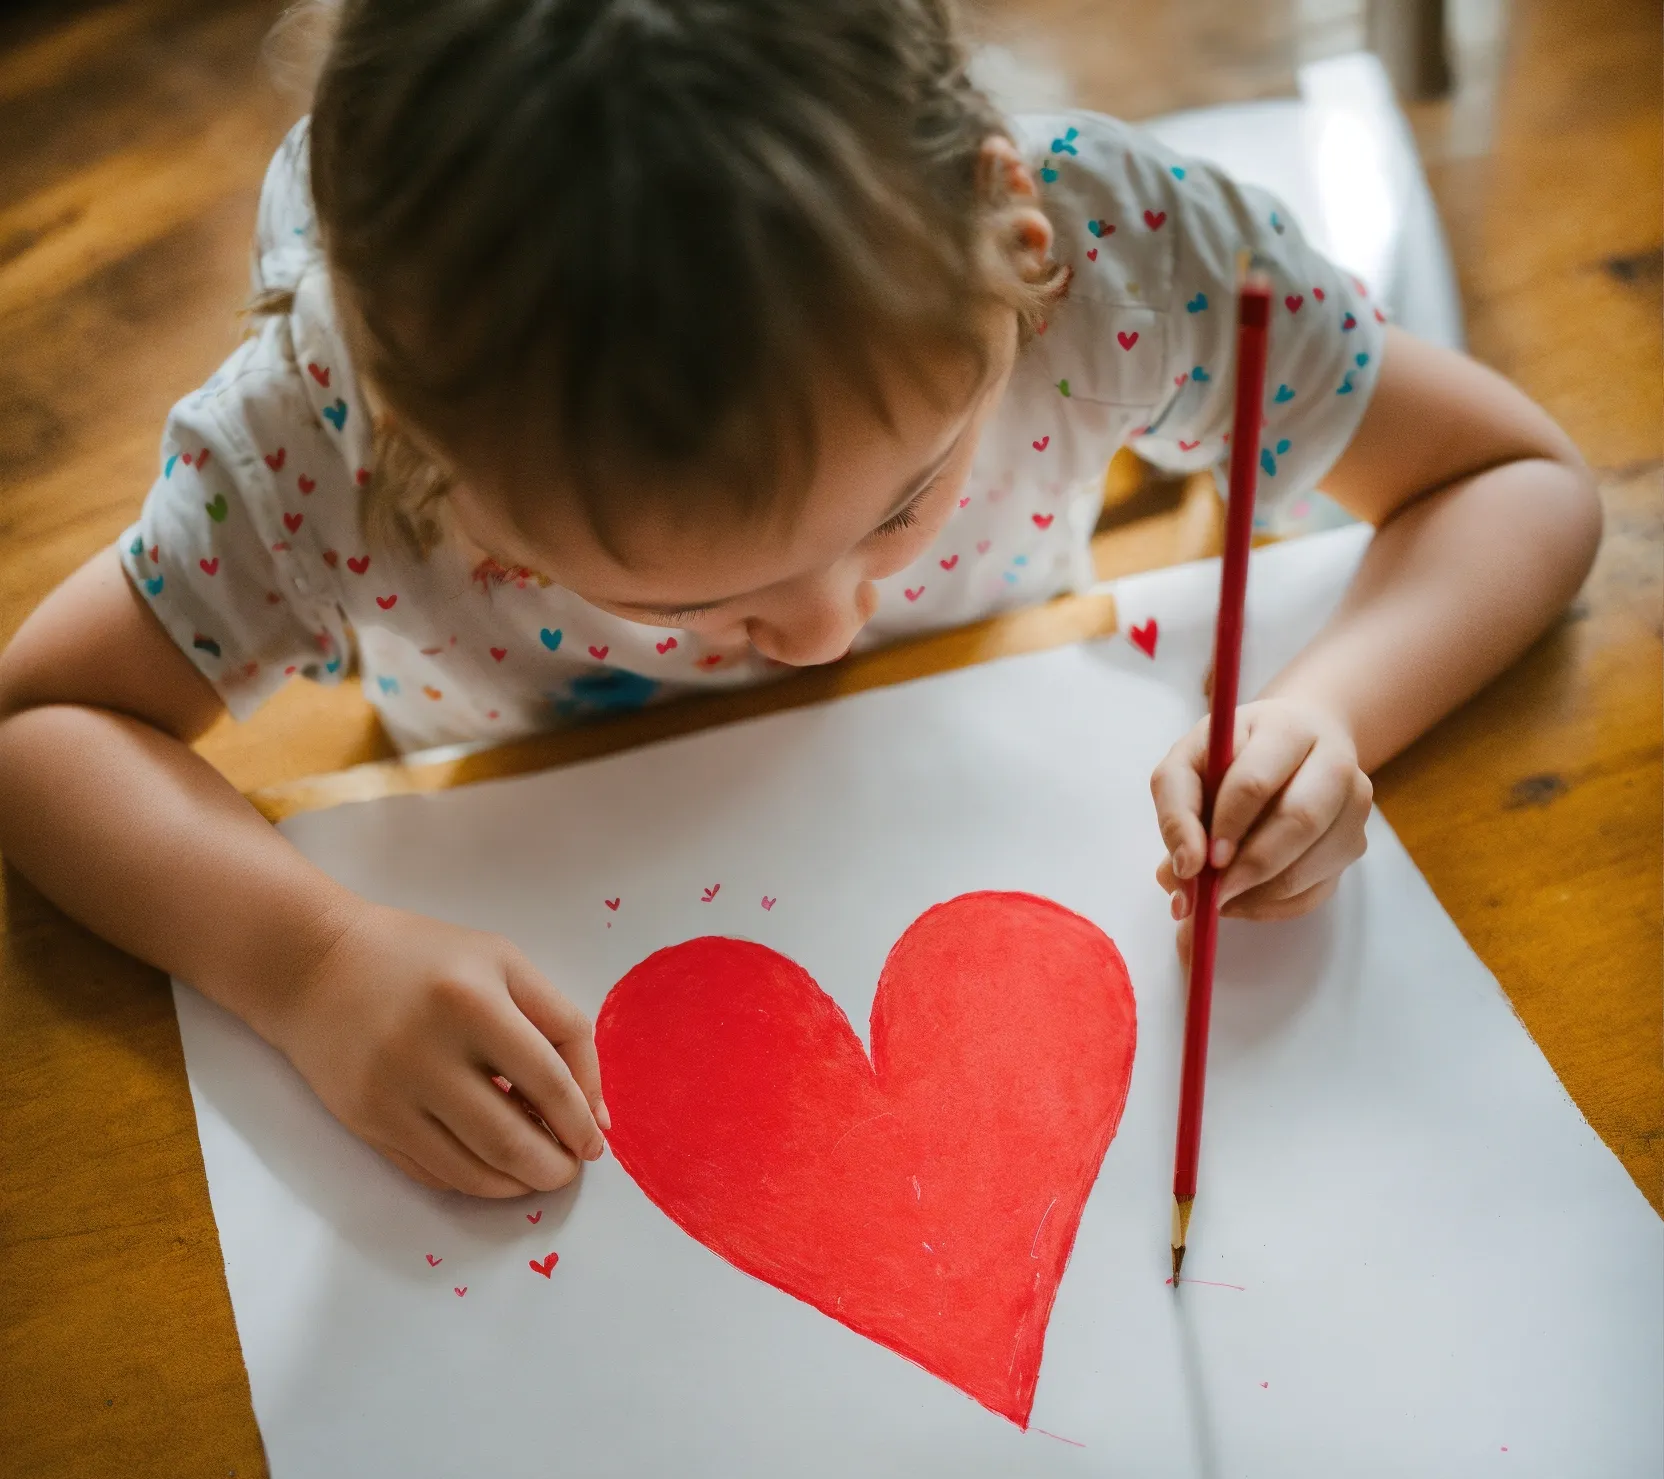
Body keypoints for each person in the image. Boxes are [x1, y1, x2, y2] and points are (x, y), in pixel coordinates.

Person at [0, 0, 1600, 1200]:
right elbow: (47, 725)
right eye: (679, 594)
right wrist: (312, 961)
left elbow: (1514, 485)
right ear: (418, 453)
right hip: (548, 876)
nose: (828, 630)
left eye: (908, 503)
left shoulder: (1116, 258)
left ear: (1009, 234)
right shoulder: (322, 445)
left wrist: (1328, 711)